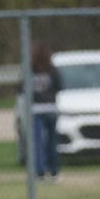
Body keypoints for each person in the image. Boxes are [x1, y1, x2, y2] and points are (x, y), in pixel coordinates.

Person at [30, 40, 62, 181]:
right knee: (51, 141)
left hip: (37, 109)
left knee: (39, 142)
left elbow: (21, 87)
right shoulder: (52, 70)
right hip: (50, 108)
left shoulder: (31, 70)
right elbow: (59, 86)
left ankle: (40, 172)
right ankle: (54, 171)